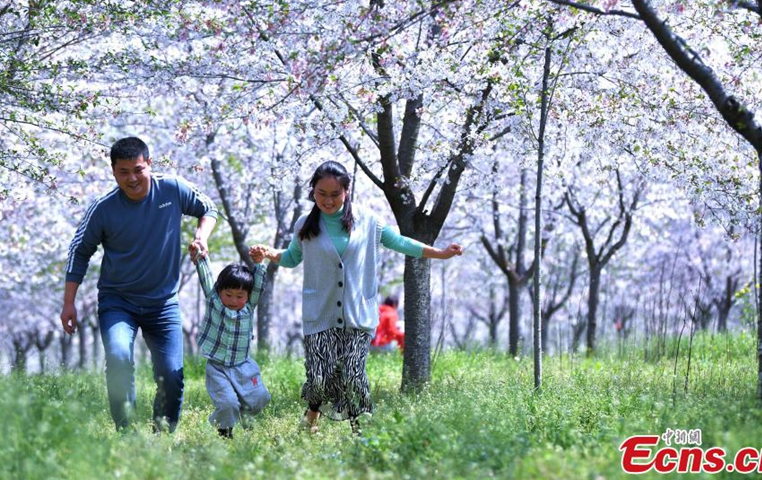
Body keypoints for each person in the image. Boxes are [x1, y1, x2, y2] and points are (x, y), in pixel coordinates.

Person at [255, 160, 462, 435]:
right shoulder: (305, 224)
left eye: (334, 194)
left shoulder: (368, 221)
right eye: (321, 193)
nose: (328, 201)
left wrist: (439, 252)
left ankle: (360, 432)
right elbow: (292, 258)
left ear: (347, 191)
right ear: (312, 192)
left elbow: (401, 242)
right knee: (319, 376)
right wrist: (270, 254)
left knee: (353, 375)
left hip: (357, 314)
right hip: (320, 313)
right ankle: (312, 417)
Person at [60, 136, 218, 432]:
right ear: (113, 172)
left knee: (171, 373)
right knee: (119, 357)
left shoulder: (172, 188)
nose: (132, 178)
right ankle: (127, 431)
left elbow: (209, 209)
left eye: (138, 169)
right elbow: (79, 251)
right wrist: (69, 302)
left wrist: (201, 237)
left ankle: (163, 432)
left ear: (148, 164)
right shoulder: (103, 208)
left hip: (163, 303)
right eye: (123, 172)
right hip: (118, 302)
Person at [191, 244, 271, 439]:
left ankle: (242, 416)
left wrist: (259, 263)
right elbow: (206, 277)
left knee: (261, 398)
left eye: (240, 296)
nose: (233, 301)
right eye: (228, 295)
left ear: (247, 296)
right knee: (228, 403)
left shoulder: (249, 307)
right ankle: (224, 432)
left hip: (243, 365)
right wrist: (200, 257)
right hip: (217, 367)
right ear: (220, 291)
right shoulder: (214, 300)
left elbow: (259, 286)